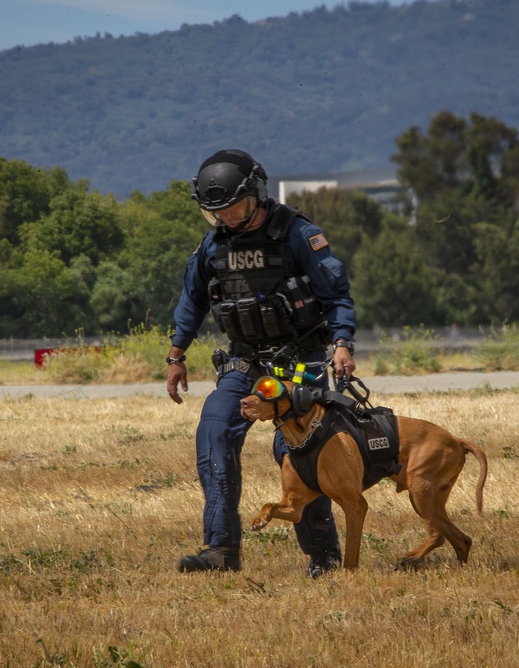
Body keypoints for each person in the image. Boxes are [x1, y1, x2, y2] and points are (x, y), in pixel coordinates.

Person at [166, 148, 357, 577]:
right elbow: (191, 302)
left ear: (256, 195)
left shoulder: (297, 234)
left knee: (293, 448)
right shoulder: (212, 246)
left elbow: (336, 294)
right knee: (213, 430)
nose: (226, 218)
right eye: (216, 211)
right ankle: (220, 549)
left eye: (233, 207)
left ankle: (323, 555)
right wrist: (176, 356)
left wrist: (343, 342)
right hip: (244, 361)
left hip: (298, 362)